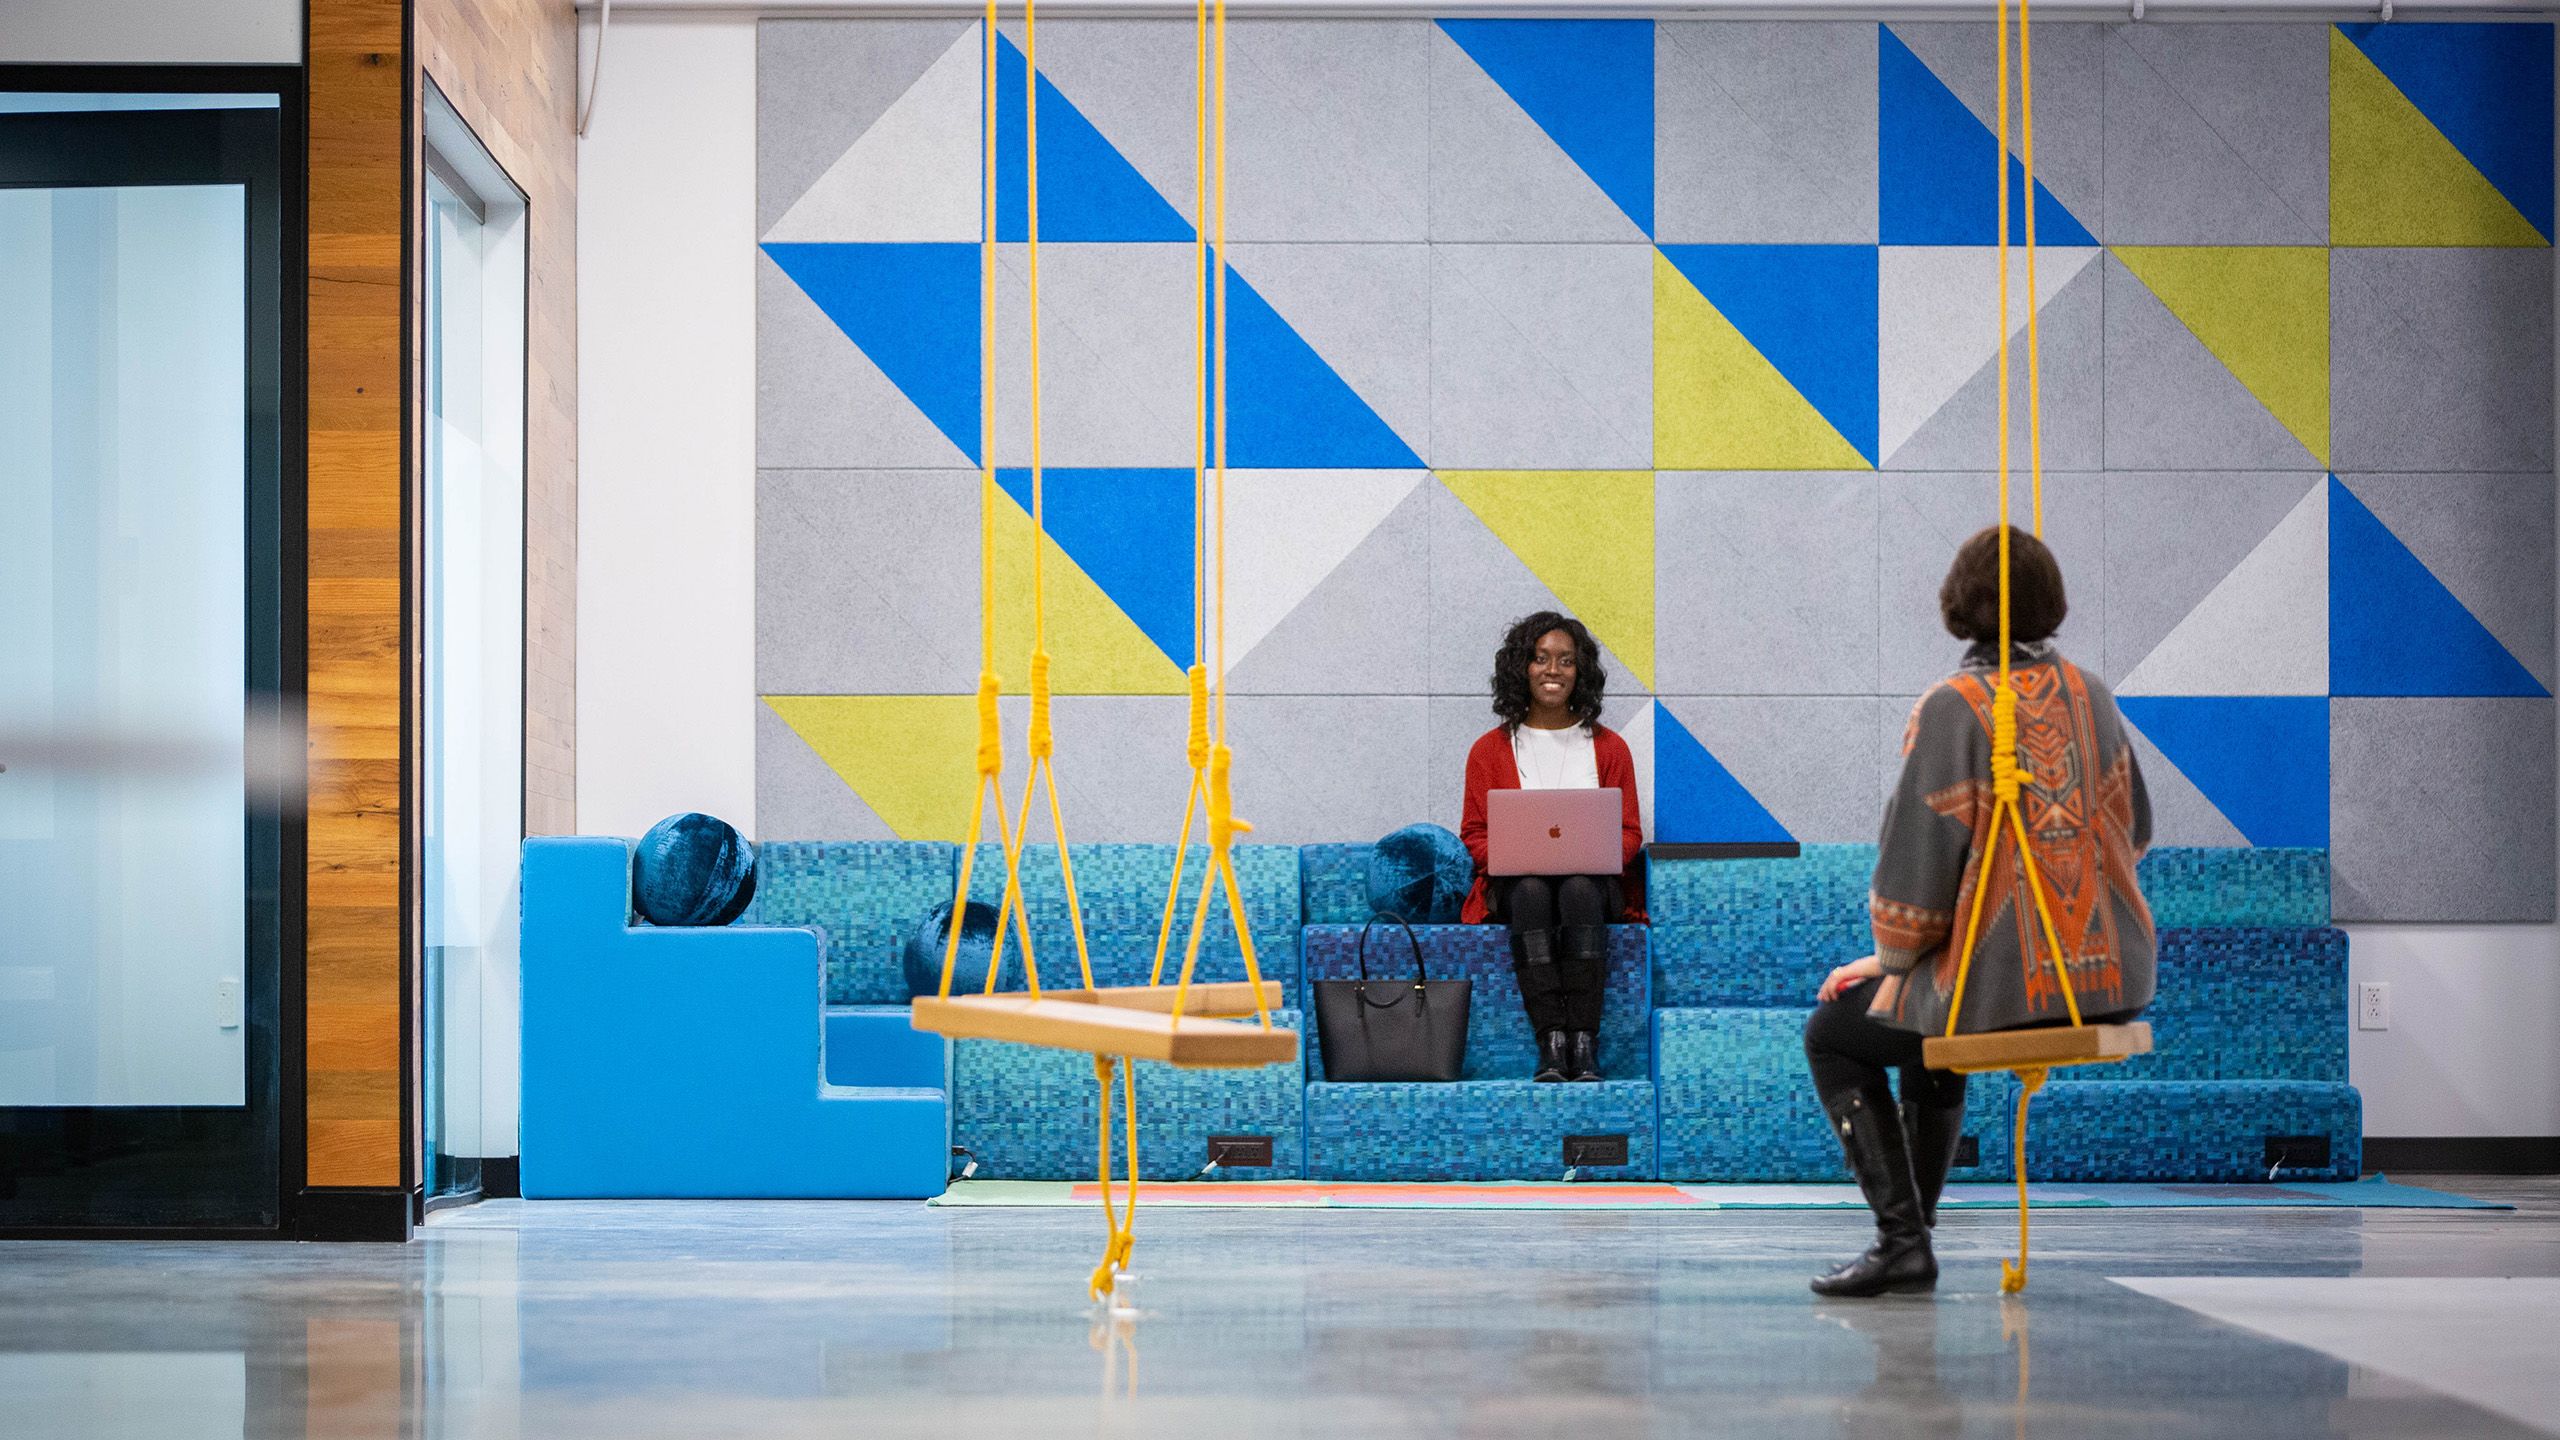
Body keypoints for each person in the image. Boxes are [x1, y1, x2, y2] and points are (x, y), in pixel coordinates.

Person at [1804, 526, 2155, 1297]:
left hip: (2007, 987)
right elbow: (2140, 830)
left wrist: (1887, 960)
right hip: (2113, 980)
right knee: (1921, 1021)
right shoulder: (2090, 693)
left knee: (1835, 1033)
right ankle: (1913, 1238)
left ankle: (1903, 1238)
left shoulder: (1953, 707)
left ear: (1958, 607)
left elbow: (1915, 871)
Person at [1459, 612, 1647, 1084]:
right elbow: (1473, 835)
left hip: (1592, 887)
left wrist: (1597, 851)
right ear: (1521, 668)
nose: (1553, 670)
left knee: (1580, 889)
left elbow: (1629, 833)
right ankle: (1551, 1042)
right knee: (1530, 891)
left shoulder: (1610, 749)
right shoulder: (1488, 750)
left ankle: (1583, 1044)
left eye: (1565, 660)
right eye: (1540, 659)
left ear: (1580, 671)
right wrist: (1510, 855)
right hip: (1516, 887)